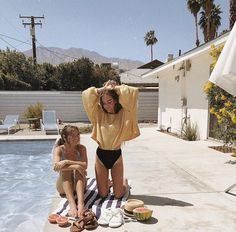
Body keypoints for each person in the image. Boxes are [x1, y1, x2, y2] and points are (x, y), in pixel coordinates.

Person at [82, 80, 140, 199]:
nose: (106, 105)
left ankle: (124, 182)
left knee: (118, 194)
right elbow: (86, 95)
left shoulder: (124, 113)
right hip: (101, 155)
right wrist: (103, 89)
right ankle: (107, 183)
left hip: (116, 156)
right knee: (103, 194)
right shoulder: (98, 113)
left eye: (109, 101)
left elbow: (133, 92)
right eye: (104, 103)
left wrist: (114, 88)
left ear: (115, 100)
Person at [53, 125, 88, 218]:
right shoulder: (59, 149)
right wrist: (76, 166)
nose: (77, 138)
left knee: (78, 171)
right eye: (73, 136)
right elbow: (56, 167)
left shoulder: (81, 148)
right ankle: (72, 205)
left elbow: (85, 165)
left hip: (80, 186)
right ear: (65, 137)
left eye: (78, 135)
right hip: (63, 188)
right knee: (67, 171)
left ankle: (81, 204)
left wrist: (67, 161)